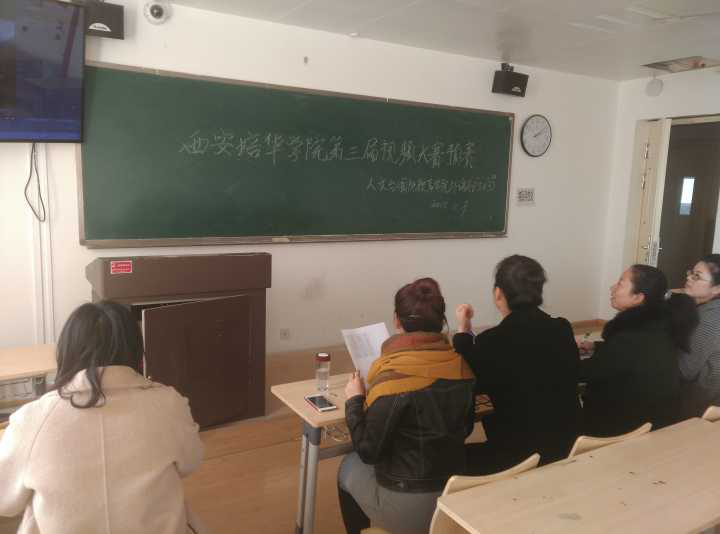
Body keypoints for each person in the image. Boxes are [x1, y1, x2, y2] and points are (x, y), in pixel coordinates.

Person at [0, 301, 205, 534]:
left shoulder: (32, 419)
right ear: (136, 350)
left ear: (66, 352)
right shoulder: (169, 403)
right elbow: (191, 462)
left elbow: (6, 502)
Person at [337, 278, 475, 534]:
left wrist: (354, 401)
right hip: (455, 495)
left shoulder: (391, 380)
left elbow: (368, 451)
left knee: (348, 465)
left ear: (396, 320)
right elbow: (466, 428)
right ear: (441, 321)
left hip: (408, 503)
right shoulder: (462, 367)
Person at [454, 255, 582, 472]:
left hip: (519, 456)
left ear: (498, 294)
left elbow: (469, 374)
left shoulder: (491, 341)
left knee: (449, 461)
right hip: (569, 445)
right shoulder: (562, 328)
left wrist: (463, 330)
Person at [580, 265, 698, 436]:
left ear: (638, 297)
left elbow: (588, 372)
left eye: (620, 283)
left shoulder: (630, 335)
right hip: (657, 422)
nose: (612, 288)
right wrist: (596, 346)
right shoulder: (659, 327)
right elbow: (633, 355)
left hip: (624, 429)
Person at [678, 254, 720, 417]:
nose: (689, 278)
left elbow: (685, 370)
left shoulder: (709, 318)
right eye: (691, 273)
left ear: (716, 289)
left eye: (697, 276)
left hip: (704, 405)